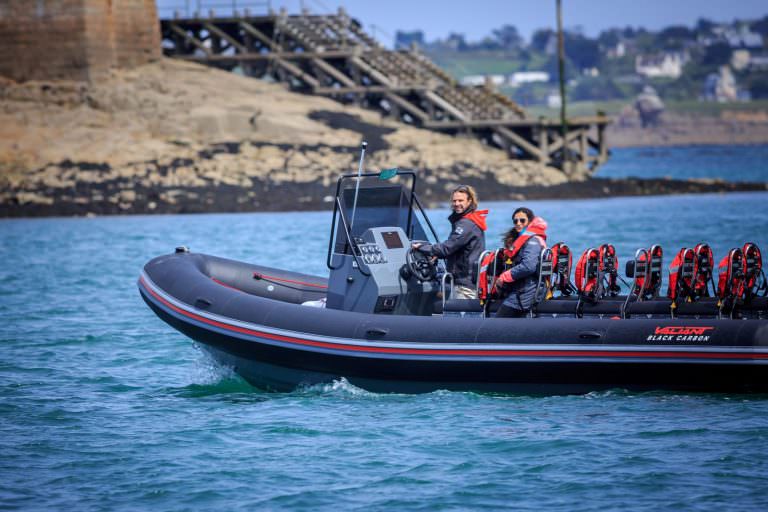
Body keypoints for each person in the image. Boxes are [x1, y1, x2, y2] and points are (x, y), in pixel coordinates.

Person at [412, 185, 488, 299]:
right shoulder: (472, 220)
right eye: (454, 201)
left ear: (470, 201)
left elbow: (446, 249)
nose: (456, 204)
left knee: (459, 315)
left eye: (461, 200)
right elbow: (458, 247)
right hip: (470, 281)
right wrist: (436, 255)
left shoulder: (466, 224)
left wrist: (422, 247)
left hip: (465, 285)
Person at [494, 207, 548, 317]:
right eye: (515, 221)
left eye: (522, 220)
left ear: (530, 221)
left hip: (525, 292)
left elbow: (528, 266)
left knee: (498, 324)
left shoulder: (532, 240)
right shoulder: (520, 239)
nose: (518, 223)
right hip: (519, 290)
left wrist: (505, 276)